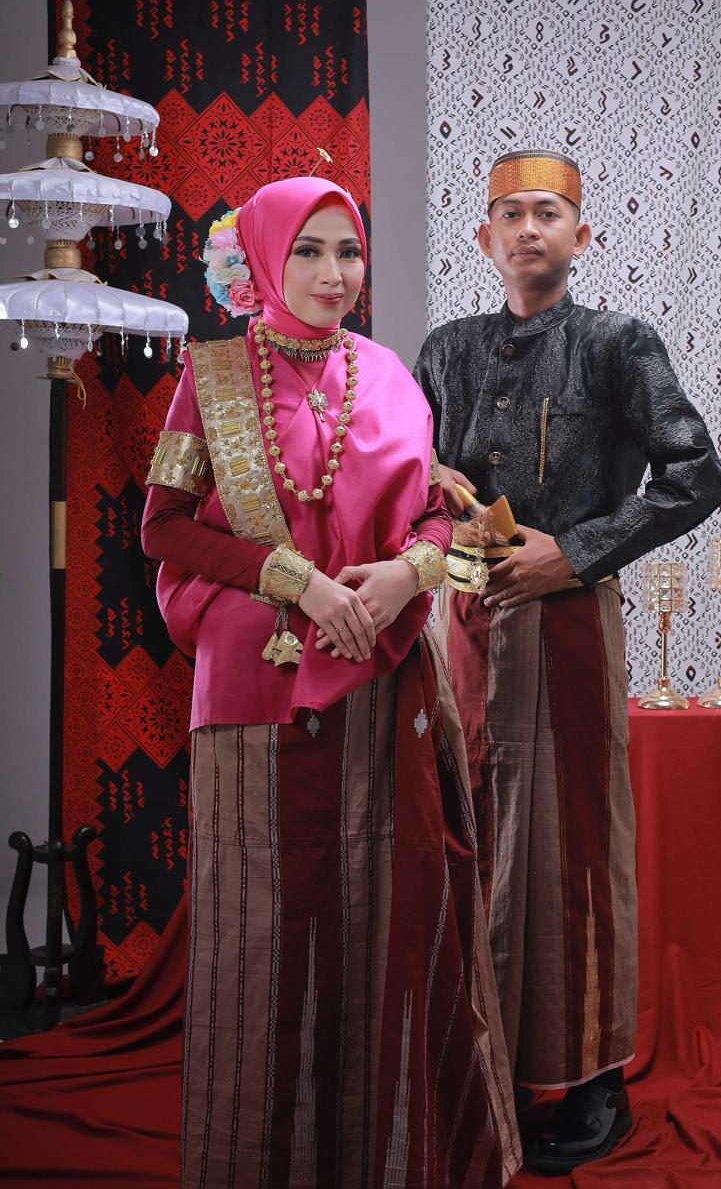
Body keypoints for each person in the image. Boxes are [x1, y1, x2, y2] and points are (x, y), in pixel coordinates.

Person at [141, 176, 521, 1188]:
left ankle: (389, 1159)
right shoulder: (213, 379)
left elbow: (442, 519)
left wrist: (407, 573)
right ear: (266, 259)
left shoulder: (389, 377)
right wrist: (296, 579)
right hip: (254, 698)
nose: (332, 273)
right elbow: (163, 528)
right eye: (307, 251)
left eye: (347, 251)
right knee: (260, 940)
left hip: (381, 684)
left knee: (387, 926)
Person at [414, 149, 721, 1175]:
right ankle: (491, 1065)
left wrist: (577, 550)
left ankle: (596, 1079)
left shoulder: (615, 341)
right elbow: (403, 471)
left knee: (576, 847)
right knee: (475, 835)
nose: (527, 229)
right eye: (508, 214)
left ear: (580, 234)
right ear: (484, 238)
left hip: (570, 625)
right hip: (465, 625)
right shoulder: (447, 350)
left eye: (546, 212)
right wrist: (429, 488)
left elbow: (695, 474)